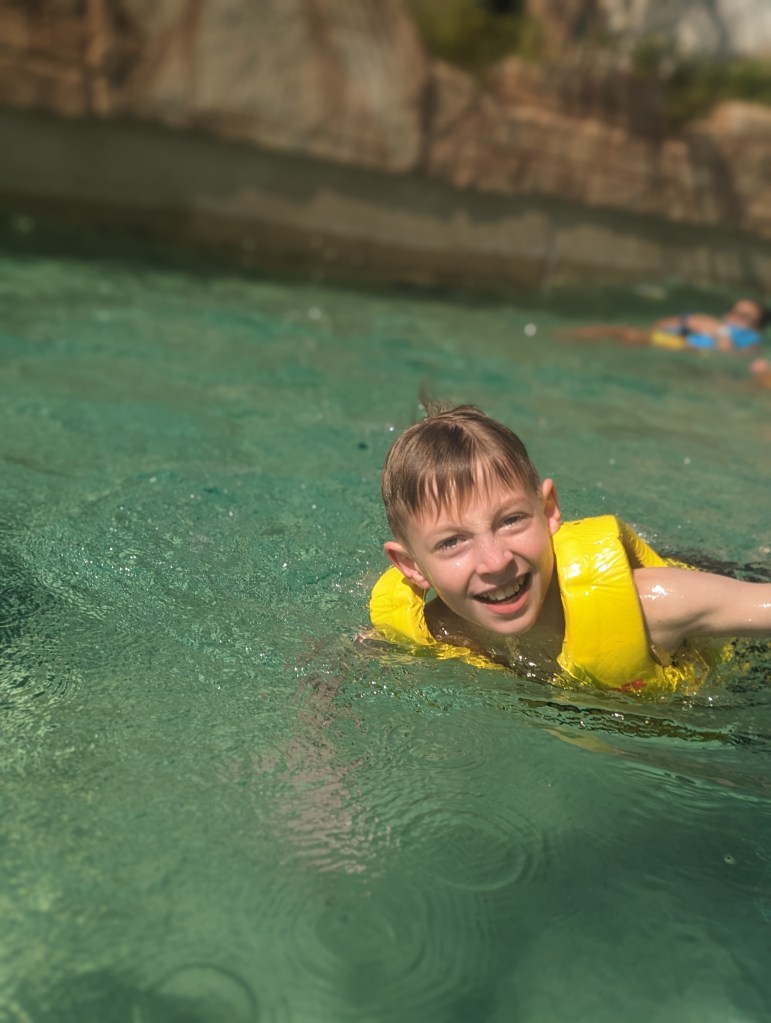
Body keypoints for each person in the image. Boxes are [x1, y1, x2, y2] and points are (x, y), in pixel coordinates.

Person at [369, 404, 771, 694]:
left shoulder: (653, 604)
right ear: (411, 565)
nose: (495, 562)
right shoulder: (436, 631)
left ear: (548, 511)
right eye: (452, 542)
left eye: (511, 520)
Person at [562, 298, 769, 353]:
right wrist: (689, 321)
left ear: (756, 327)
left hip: (688, 348)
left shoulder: (750, 340)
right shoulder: (708, 321)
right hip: (681, 342)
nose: (734, 318)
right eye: (733, 312)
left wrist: (721, 336)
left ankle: (567, 338)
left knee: (629, 335)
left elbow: (733, 355)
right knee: (627, 333)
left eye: (744, 317)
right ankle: (571, 337)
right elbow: (657, 325)